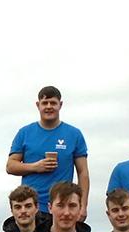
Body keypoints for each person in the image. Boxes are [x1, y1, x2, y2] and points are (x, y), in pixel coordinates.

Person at [6, 86, 90, 217]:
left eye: (53, 103)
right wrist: (35, 167)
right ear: (38, 105)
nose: (49, 106)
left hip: (62, 208)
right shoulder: (25, 133)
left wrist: (83, 206)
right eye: (45, 103)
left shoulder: (74, 134)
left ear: (60, 105)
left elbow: (83, 172)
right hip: (32, 208)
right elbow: (10, 166)